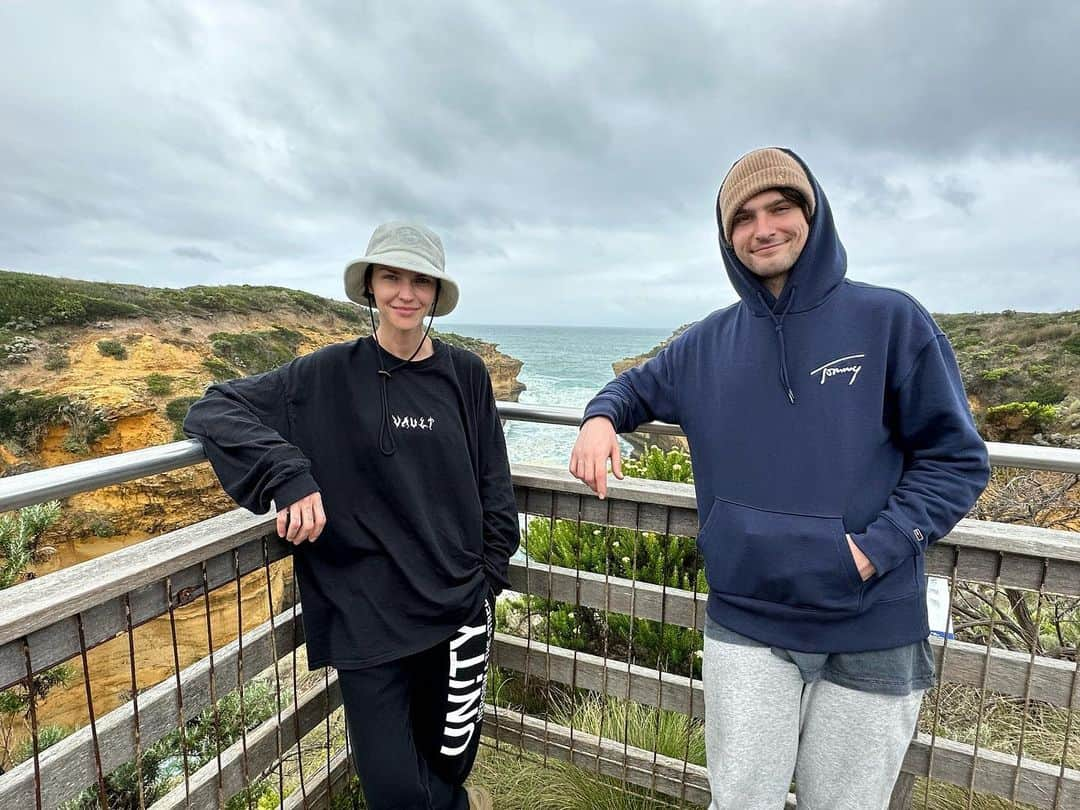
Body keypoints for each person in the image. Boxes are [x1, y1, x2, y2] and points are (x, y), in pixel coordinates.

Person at [569, 148, 989, 810]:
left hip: (872, 621)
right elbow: (632, 389)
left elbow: (957, 458)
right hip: (749, 620)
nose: (763, 228)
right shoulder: (704, 343)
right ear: (726, 235)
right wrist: (598, 419)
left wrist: (872, 550)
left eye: (780, 208)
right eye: (744, 217)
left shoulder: (890, 321)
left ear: (812, 215)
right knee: (741, 802)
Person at [184, 221, 518, 810]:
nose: (406, 293)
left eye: (421, 281)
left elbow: (493, 480)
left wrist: (486, 579)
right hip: (366, 613)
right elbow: (214, 407)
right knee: (392, 787)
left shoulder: (464, 374)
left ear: (437, 294)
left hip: (458, 606)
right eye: (392, 276)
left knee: (449, 763)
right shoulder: (325, 373)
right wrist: (287, 474)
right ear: (369, 286)